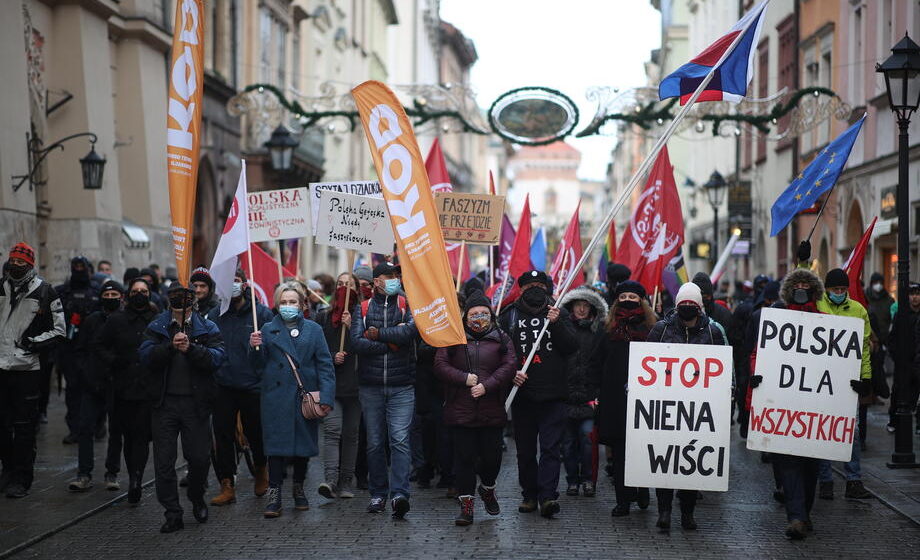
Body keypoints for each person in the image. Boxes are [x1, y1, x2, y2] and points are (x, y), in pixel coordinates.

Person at [139, 283, 225, 533]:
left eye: (184, 296)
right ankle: (172, 512)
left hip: (195, 405)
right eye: (175, 296)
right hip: (164, 404)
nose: (180, 300)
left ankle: (197, 497)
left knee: (199, 458)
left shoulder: (207, 327)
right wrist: (169, 347)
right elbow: (145, 357)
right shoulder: (157, 326)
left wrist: (192, 349)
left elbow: (217, 358)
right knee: (164, 462)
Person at [646, 282, 728, 530]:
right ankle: (664, 512)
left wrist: (729, 392)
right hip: (666, 408)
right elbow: (643, 363)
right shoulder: (661, 329)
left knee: (691, 465)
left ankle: (688, 513)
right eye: (684, 304)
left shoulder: (713, 333)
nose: (688, 308)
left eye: (692, 304)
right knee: (665, 461)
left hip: (698, 412)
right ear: (677, 306)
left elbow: (725, 368)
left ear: (700, 307)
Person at [249, 282, 335, 517]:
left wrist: (326, 396)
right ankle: (274, 493)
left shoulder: (314, 330)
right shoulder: (265, 329)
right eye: (284, 302)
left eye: (292, 302)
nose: (288, 306)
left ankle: (298, 487)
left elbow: (325, 365)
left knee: (302, 446)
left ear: (302, 304)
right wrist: (254, 347)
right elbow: (257, 367)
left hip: (303, 397)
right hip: (275, 398)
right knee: (275, 448)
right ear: (277, 305)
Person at [750, 267, 823, 539]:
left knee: (811, 467)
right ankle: (796, 517)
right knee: (789, 463)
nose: (801, 288)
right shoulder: (775, 322)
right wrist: (757, 377)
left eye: (806, 284)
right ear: (789, 290)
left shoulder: (826, 322)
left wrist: (851, 382)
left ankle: (804, 512)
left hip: (815, 409)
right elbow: (759, 353)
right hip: (784, 407)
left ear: (813, 291)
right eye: (797, 284)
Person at [498, 270, 578, 518]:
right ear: (521, 290)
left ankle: (547, 496)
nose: (535, 288)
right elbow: (499, 351)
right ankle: (529, 495)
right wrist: (510, 373)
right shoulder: (508, 314)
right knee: (524, 450)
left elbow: (571, 346)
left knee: (551, 448)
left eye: (540, 285)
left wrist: (557, 324)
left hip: (554, 395)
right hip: (522, 395)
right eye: (530, 285)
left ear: (547, 289)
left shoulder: (559, 312)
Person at [434, 290, 516, 526]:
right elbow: (440, 365)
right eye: (474, 313)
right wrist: (463, 378)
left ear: (490, 314)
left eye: (483, 313)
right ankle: (466, 505)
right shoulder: (453, 338)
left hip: (491, 409)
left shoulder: (502, 338)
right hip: (461, 410)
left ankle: (488, 488)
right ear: (465, 316)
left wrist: (487, 386)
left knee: (492, 459)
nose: (479, 317)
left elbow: (510, 365)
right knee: (464, 459)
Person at [350, 262, 419, 519]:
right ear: (377, 281)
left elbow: (411, 332)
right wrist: (391, 343)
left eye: (395, 277)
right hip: (371, 386)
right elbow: (356, 342)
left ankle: (400, 494)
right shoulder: (364, 308)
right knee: (375, 443)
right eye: (388, 277)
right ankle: (378, 493)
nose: (394, 280)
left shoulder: (407, 304)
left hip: (402, 386)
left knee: (399, 440)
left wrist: (377, 335)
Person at [0, 243, 65, 498]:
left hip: (27, 368)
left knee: (24, 425)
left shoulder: (46, 292)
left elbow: (59, 331)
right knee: (2, 424)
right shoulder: (1, 286)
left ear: (30, 265)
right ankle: (8, 468)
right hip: (1, 367)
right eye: (12, 261)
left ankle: (22, 478)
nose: (15, 266)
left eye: (20, 263)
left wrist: (33, 344)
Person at [589, 280, 656, 517]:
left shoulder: (653, 330)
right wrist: (595, 394)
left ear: (642, 301)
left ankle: (643, 487)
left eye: (633, 296)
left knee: (642, 448)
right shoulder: (607, 330)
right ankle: (623, 500)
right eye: (624, 296)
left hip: (646, 401)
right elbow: (595, 364)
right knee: (619, 453)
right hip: (615, 400)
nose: (628, 300)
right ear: (617, 301)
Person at [207, 269, 273, 506]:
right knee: (222, 435)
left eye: (236, 281)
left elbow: (273, 348)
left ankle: (261, 469)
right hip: (223, 385)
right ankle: (227, 484)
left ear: (245, 285)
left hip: (252, 385)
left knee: (256, 433)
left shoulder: (261, 314)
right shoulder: (214, 315)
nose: (232, 285)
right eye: (228, 281)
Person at [92, 277, 158, 504]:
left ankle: (137, 479)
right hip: (122, 388)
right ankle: (132, 474)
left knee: (141, 436)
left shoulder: (156, 320)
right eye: (135, 290)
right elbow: (98, 344)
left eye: (144, 290)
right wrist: (113, 361)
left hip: (148, 389)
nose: (140, 294)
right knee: (128, 436)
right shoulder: (117, 320)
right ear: (128, 294)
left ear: (149, 294)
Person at [814, 269, 872, 500]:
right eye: (835, 289)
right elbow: (799, 287)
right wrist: (803, 261)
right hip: (820, 379)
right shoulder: (817, 305)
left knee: (852, 433)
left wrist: (865, 377)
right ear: (827, 289)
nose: (840, 293)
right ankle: (825, 481)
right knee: (822, 430)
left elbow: (864, 349)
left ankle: (853, 480)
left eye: (843, 289)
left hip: (847, 382)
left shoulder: (859, 310)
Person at [68, 280, 125, 492]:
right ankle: (84, 473)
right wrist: (85, 374)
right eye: (107, 295)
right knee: (85, 428)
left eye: (114, 295)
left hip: (118, 385)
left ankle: (112, 473)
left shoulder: (125, 320)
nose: (110, 298)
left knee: (116, 431)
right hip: (92, 384)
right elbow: (80, 350)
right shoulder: (92, 321)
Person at [314, 272, 362, 499]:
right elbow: (316, 349)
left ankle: (346, 482)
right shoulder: (324, 317)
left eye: (349, 285)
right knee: (332, 431)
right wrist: (333, 356)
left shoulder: (363, 315)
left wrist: (353, 328)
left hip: (356, 385)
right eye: (341, 284)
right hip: (331, 384)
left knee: (351, 434)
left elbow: (367, 347)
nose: (344, 288)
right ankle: (330, 480)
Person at [559, 285, 608, 497]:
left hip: (589, 397)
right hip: (566, 396)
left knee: (588, 442)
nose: (581, 310)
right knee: (568, 444)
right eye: (578, 305)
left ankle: (588, 479)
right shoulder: (563, 330)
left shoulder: (599, 333)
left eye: (585, 306)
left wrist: (598, 394)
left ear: (592, 309)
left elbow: (602, 365)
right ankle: (572, 480)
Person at [56, 255, 101, 444]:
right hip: (70, 350)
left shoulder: (96, 292)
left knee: (94, 390)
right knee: (73, 391)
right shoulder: (63, 292)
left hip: (92, 351)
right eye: (76, 266)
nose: (79, 269)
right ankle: (75, 429)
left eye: (82, 266)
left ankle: (97, 426)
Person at [887, 282, 920, 434]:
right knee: (898, 393)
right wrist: (898, 358)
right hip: (903, 363)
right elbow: (892, 339)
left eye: (917, 294)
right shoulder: (901, 314)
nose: (915, 297)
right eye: (912, 294)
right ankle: (894, 421)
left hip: (918, 362)